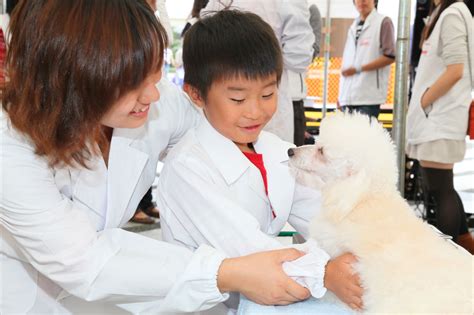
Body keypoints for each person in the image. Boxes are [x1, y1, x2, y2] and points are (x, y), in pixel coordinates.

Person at [0, 1, 314, 313]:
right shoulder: (10, 148)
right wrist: (227, 271)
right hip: (23, 294)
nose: (152, 95)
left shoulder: (159, 104)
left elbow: (221, 125)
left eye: (154, 74)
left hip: (105, 290)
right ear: (75, 80)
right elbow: (82, 261)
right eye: (132, 84)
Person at [157, 10, 363, 312]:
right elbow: (249, 249)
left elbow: (325, 218)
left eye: (267, 94)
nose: (255, 111)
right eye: (238, 99)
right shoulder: (188, 168)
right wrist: (325, 272)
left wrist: (362, 244)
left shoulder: (276, 151)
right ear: (196, 95)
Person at [406, 0, 474, 254]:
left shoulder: (452, 14)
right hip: (438, 117)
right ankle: (464, 244)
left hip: (440, 118)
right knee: (443, 186)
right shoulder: (444, 13)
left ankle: (449, 255)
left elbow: (456, 70)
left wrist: (425, 100)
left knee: (440, 189)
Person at [201, 0, 315, 143]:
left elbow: (205, 29)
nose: (253, 114)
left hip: (221, 108)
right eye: (238, 98)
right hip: (273, 111)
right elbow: (299, 56)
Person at [338, 0, 396, 120]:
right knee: (347, 137)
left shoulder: (383, 22)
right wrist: (341, 95)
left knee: (363, 137)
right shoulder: (354, 25)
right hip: (347, 97)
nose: (362, 1)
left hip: (368, 97)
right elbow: (348, 62)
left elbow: (390, 56)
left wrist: (359, 69)